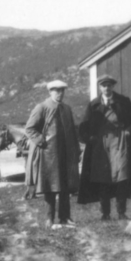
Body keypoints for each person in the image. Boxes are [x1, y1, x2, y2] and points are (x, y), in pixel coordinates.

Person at [78, 74, 131, 221]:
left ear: (113, 86)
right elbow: (83, 126)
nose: (106, 88)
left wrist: (128, 132)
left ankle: (121, 212)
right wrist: (90, 138)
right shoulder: (93, 104)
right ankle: (105, 213)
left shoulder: (123, 101)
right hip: (101, 146)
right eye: (103, 85)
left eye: (109, 85)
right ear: (100, 87)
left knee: (122, 176)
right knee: (103, 177)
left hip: (120, 143)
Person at [23, 79, 80, 228]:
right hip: (49, 154)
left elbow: (73, 131)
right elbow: (29, 129)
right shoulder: (42, 107)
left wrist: (76, 150)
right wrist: (42, 141)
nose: (60, 93)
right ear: (50, 91)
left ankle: (65, 217)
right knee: (50, 186)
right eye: (56, 90)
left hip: (66, 154)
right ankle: (49, 218)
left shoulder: (67, 109)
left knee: (65, 187)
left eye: (62, 90)